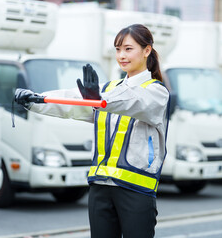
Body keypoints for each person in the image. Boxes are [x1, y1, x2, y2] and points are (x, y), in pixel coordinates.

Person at [14, 24, 170, 238]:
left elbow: (132, 101)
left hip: (136, 190)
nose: (121, 55)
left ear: (147, 50)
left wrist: (98, 100)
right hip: (99, 188)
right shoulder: (106, 90)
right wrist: (34, 100)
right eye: (117, 49)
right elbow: (70, 102)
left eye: (128, 49)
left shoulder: (156, 92)